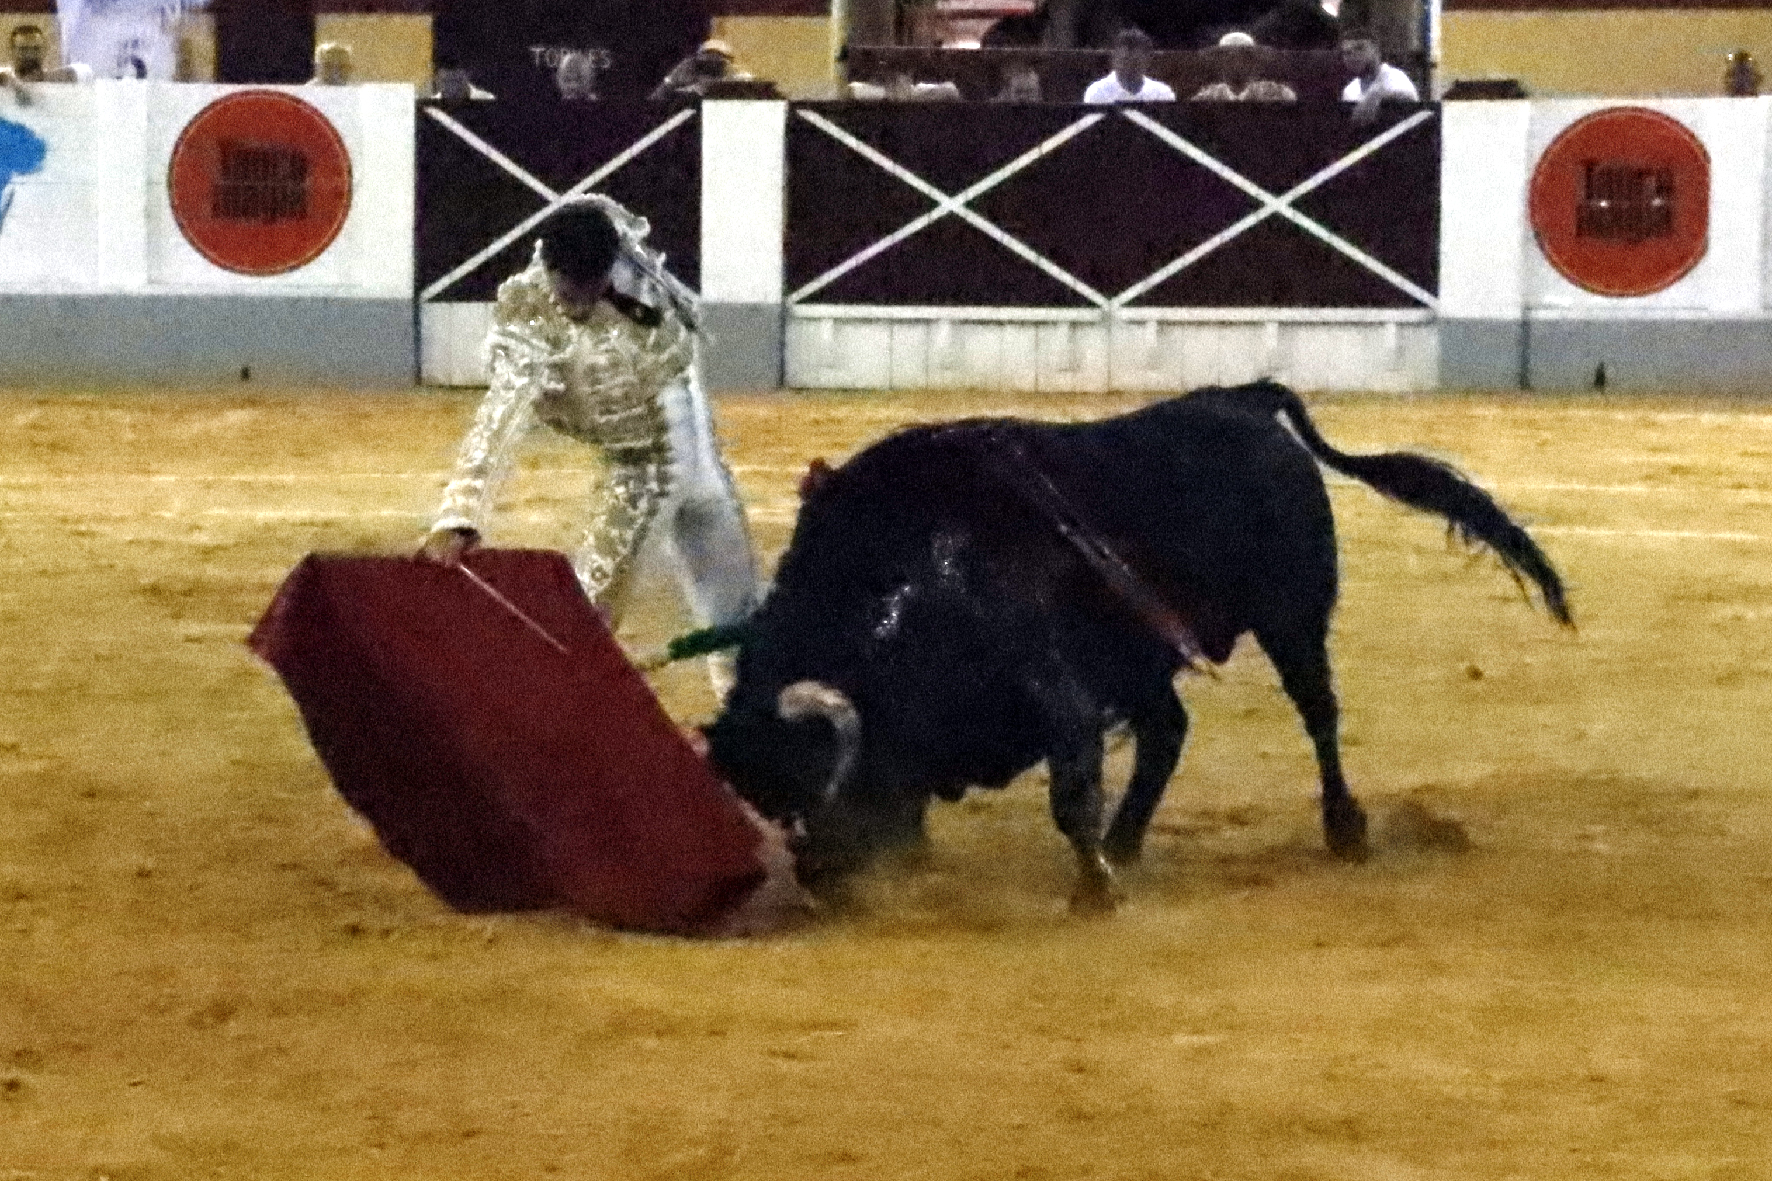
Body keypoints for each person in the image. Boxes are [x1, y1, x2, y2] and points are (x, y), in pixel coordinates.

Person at [421, 196, 760, 694]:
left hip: (688, 448)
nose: (577, 306)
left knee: (733, 621)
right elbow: (504, 409)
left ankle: (748, 728)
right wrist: (460, 513)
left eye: (590, 290)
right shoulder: (530, 307)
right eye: (568, 291)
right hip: (645, 463)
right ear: (548, 268)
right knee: (583, 622)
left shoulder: (633, 275)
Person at [1190, 31, 1297, 102]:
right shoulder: (1206, 97)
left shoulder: (1279, 95)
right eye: (1228, 58)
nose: (1236, 63)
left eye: (1245, 57)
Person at [1, 24, 90, 103]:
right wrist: (13, 83)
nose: (29, 55)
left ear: (44, 51)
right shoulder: (5, 78)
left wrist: (43, 77)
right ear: (11, 51)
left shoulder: (54, 80)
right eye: (23, 49)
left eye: (36, 49)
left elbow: (86, 71)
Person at [1083, 27, 1176, 104]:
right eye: (1125, 60)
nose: (1130, 67)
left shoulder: (1162, 94)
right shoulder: (1097, 92)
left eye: (1136, 61)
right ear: (1114, 59)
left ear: (1148, 60)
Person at [1341, 34, 1417, 124]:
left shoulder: (1396, 77)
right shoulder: (1349, 90)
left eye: (1360, 48)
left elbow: (1407, 96)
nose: (1354, 56)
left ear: (1376, 50)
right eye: (1347, 53)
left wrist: (1379, 96)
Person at [650, 38, 749, 100]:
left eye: (718, 55)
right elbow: (660, 93)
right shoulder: (687, 67)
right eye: (708, 54)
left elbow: (746, 82)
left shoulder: (734, 73)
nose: (712, 58)